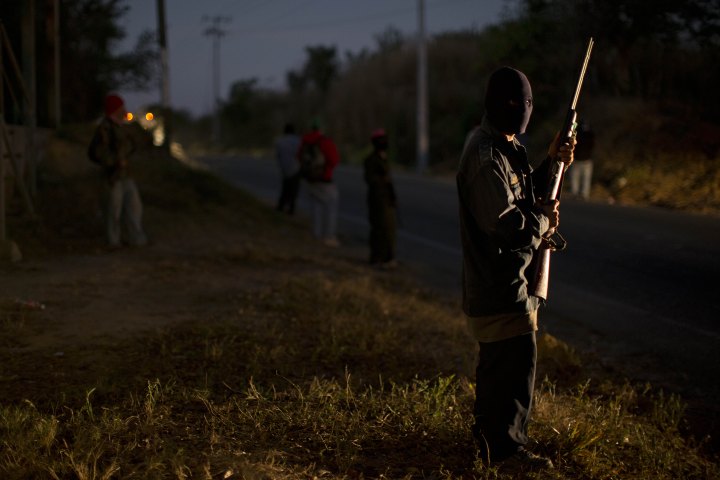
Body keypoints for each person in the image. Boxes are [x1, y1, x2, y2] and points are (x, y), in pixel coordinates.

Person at [456, 67, 575, 470]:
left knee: (501, 370)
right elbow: (507, 226)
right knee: (512, 370)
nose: (521, 110)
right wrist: (544, 221)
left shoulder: (506, 146)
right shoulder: (484, 155)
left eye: (527, 102)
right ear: (495, 103)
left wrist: (552, 161)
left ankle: (490, 443)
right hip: (498, 286)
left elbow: (523, 193)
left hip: (511, 283)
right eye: (514, 102)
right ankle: (505, 452)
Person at [88, 94, 148, 248]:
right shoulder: (105, 128)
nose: (124, 110)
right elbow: (98, 153)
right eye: (121, 107)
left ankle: (136, 239)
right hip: (113, 176)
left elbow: (130, 146)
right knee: (113, 210)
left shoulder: (122, 127)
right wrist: (115, 161)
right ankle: (113, 242)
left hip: (126, 175)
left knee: (134, 208)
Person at [297, 121, 340, 247]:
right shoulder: (325, 142)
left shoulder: (305, 141)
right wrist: (325, 170)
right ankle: (329, 236)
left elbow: (299, 156)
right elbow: (334, 160)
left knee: (316, 208)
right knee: (331, 207)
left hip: (310, 178)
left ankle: (316, 235)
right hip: (325, 179)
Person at [363, 129, 397, 268]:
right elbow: (370, 179)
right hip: (378, 199)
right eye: (381, 140)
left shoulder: (384, 157)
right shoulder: (371, 160)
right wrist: (383, 180)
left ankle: (387, 258)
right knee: (379, 229)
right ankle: (378, 258)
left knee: (389, 229)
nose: (385, 143)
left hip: (386, 198)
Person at [275, 122, 302, 214]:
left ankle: (281, 206)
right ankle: (291, 208)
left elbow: (278, 156)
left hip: (284, 168)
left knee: (285, 188)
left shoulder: (280, 141)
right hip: (295, 168)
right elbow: (300, 155)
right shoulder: (297, 141)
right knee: (293, 190)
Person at [568, 118, 595, 199]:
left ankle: (580, 193)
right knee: (581, 178)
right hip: (580, 159)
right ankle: (580, 193)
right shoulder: (589, 134)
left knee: (579, 178)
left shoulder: (583, 134)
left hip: (583, 160)